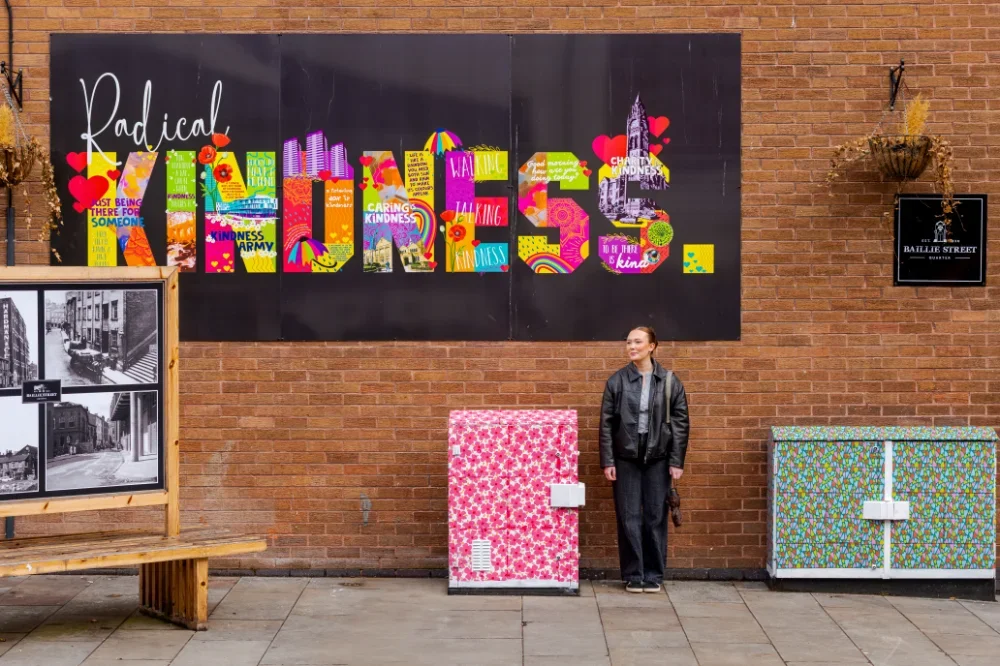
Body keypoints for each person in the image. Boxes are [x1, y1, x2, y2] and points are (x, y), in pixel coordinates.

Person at [600, 326, 689, 593]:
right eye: (628, 342)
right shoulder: (617, 381)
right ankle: (632, 574)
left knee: (655, 517)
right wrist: (608, 461)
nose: (632, 347)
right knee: (628, 517)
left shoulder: (670, 381)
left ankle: (653, 574)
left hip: (658, 459)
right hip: (625, 458)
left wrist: (676, 461)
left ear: (652, 346)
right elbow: (606, 424)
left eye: (638, 342)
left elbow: (681, 425)